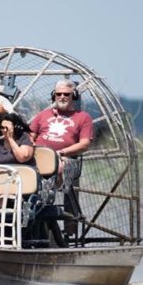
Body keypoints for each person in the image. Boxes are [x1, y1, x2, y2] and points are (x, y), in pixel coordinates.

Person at [29, 79, 94, 238]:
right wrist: (32, 149)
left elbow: (84, 144)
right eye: (59, 94)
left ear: (74, 96)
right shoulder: (42, 116)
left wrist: (61, 152)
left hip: (65, 158)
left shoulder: (83, 117)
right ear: (54, 96)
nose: (62, 97)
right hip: (38, 156)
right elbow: (30, 136)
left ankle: (46, 204)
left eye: (67, 94)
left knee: (57, 167)